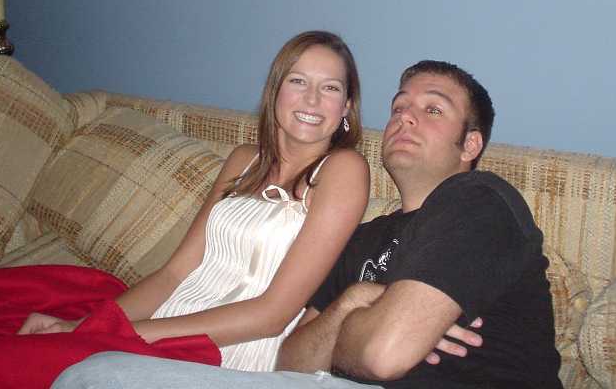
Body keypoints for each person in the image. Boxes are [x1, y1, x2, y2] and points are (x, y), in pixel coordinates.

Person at [52, 60, 562, 389]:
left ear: (470, 144)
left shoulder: (480, 200)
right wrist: (356, 301)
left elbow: (385, 354)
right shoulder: (367, 238)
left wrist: (361, 324)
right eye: (399, 106)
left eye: (432, 109)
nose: (405, 117)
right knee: (97, 375)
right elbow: (291, 358)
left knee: (101, 377)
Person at [0, 30, 370, 389]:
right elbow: (176, 272)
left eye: (330, 87)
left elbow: (272, 315)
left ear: (346, 107)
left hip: (225, 351)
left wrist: (124, 335)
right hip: (164, 323)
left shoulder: (344, 170)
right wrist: (84, 326)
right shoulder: (243, 160)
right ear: (275, 91)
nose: (312, 99)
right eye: (298, 81)